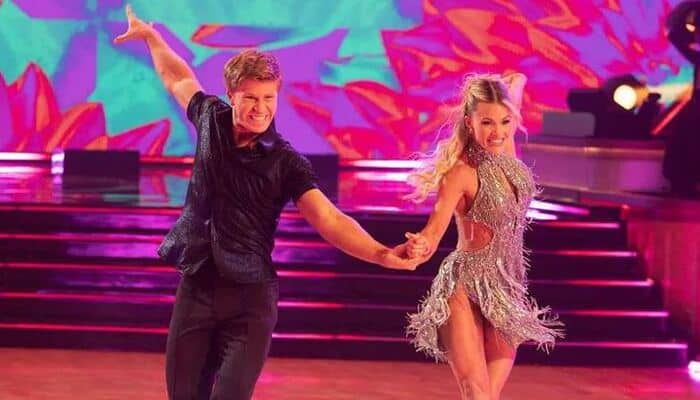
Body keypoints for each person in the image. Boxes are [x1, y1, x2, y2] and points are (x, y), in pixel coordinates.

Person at [113, 5, 418, 400]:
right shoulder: (210, 118)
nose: (261, 108)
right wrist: (152, 37)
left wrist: (382, 254)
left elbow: (328, 218)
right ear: (231, 95)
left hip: (249, 301)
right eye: (250, 98)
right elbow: (178, 77)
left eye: (269, 97)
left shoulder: (287, 162)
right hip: (197, 289)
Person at [403, 73, 563, 400]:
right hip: (463, 286)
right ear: (469, 122)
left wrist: (515, 84)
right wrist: (421, 244)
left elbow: (515, 88)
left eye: (505, 121)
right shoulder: (460, 173)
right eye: (486, 122)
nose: (497, 132)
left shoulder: (508, 155)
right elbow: (433, 233)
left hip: (506, 289)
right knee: (476, 393)